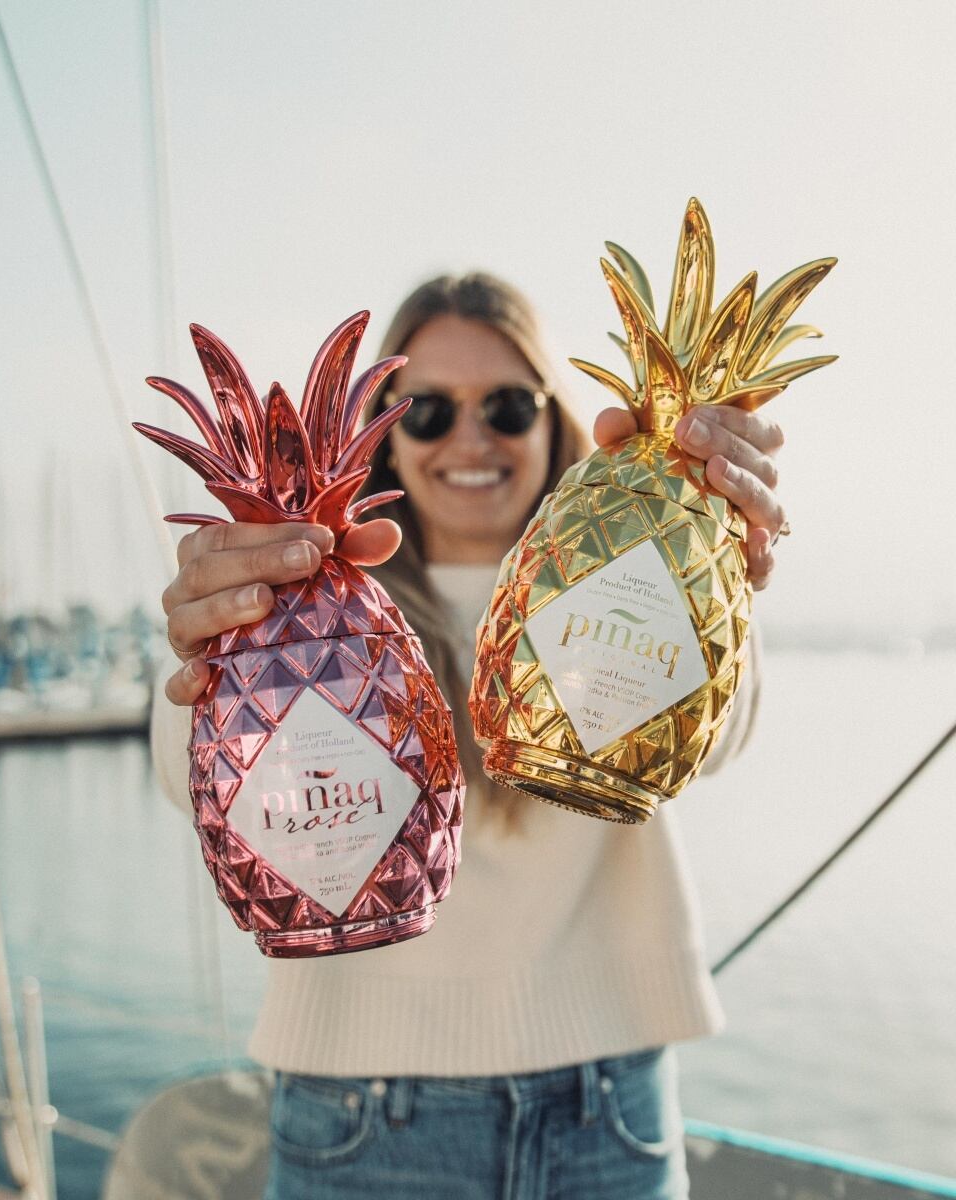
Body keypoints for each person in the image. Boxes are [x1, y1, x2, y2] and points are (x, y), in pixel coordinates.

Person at [151, 272, 786, 1199]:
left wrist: (717, 561)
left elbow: (715, 744)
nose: (472, 439)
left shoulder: (624, 559)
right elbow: (191, 783)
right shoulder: (311, 602)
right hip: (358, 1109)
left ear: (554, 417)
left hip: (608, 1101)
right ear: (383, 436)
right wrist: (212, 643)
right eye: (428, 412)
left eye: (508, 405)